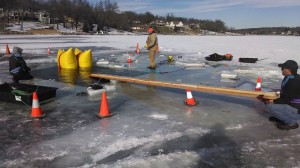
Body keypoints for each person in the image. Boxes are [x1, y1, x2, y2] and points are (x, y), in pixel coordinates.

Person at [257, 60, 300, 130]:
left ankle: (292, 123)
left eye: (283, 68)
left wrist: (271, 101)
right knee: (269, 102)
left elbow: (286, 99)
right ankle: (284, 118)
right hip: (292, 105)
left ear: (288, 69)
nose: (281, 69)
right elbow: (285, 93)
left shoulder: (294, 81)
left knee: (269, 106)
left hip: (297, 110)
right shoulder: (291, 77)